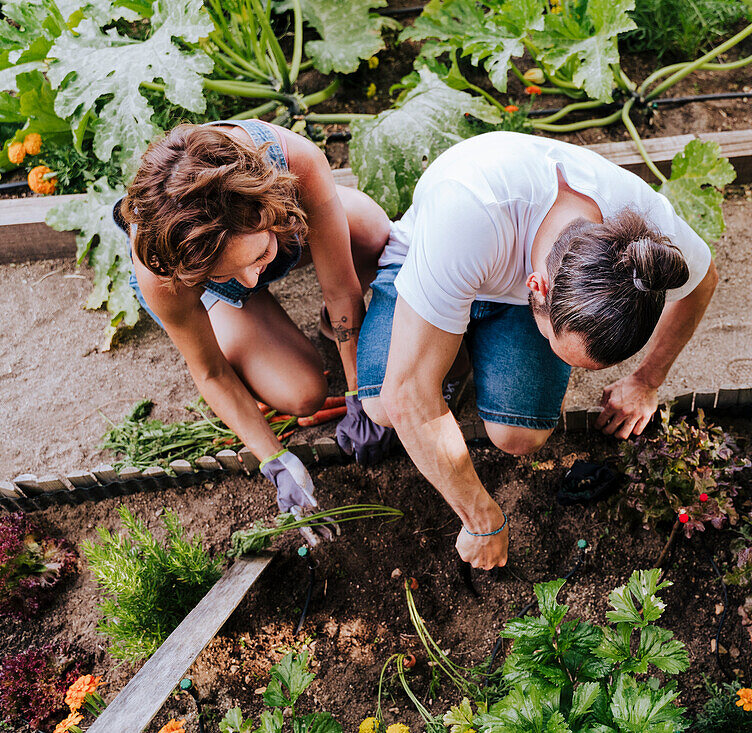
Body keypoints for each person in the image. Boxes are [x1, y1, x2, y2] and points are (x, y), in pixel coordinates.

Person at [356, 131, 718, 569]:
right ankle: (451, 337)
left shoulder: (648, 242)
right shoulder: (469, 209)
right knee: (380, 404)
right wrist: (481, 519)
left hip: (504, 287)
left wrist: (647, 380)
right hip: (432, 259)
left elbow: (703, 283)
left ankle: (453, 344)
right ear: (538, 290)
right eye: (557, 345)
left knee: (519, 436)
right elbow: (407, 394)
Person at [119, 120, 393, 535]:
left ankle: (258, 267)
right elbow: (209, 372)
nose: (251, 282)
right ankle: (230, 303)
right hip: (209, 288)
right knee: (302, 395)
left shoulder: (295, 162)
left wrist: (358, 390)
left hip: (285, 226)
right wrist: (275, 462)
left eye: (258, 255)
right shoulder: (163, 271)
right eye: (229, 271)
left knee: (373, 233)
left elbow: (340, 289)